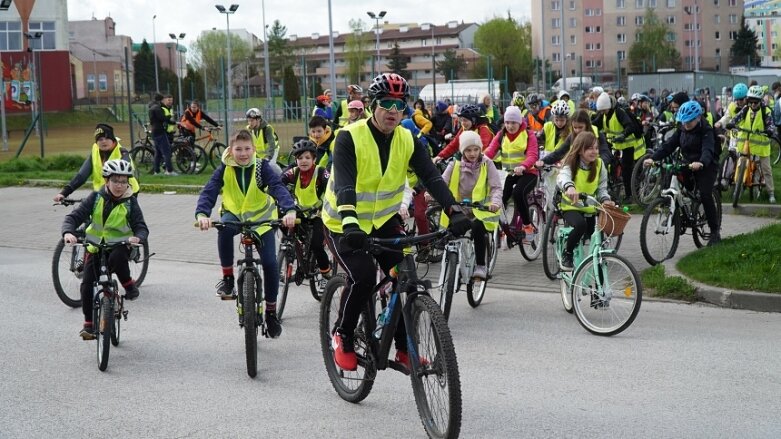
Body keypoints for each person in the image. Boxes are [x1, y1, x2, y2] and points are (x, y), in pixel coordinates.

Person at [322, 72, 472, 372]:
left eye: (400, 104)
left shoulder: (407, 139)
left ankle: (405, 348)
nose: (393, 110)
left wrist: (453, 210)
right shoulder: (348, 137)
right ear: (372, 105)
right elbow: (346, 186)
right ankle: (343, 334)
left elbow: (430, 176)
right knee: (363, 276)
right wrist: (351, 223)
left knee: (404, 274)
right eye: (386, 103)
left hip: (383, 218)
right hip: (343, 223)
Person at [194, 130, 296, 338]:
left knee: (270, 264)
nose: (243, 153)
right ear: (230, 150)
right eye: (238, 149)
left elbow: (277, 187)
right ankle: (228, 279)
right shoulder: (224, 168)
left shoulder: (262, 167)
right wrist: (202, 214)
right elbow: (210, 190)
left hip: (262, 219)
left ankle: (270, 312)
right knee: (222, 230)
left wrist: (290, 210)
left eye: (247, 149)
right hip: (234, 216)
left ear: (254, 149)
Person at [61, 159, 149, 339]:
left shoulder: (131, 202)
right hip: (95, 248)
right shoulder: (95, 198)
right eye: (115, 181)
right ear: (106, 181)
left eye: (124, 181)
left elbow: (141, 226)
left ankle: (128, 284)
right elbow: (74, 217)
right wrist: (68, 233)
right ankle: (89, 324)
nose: (119, 185)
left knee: (117, 257)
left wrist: (138, 237)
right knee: (86, 285)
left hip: (120, 246)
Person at [643, 100, 724, 243]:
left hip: (706, 164)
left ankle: (714, 231)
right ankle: (675, 212)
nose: (686, 125)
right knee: (672, 173)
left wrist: (701, 163)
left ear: (698, 118)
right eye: (683, 122)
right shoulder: (682, 128)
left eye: (689, 122)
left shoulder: (706, 130)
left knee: (705, 195)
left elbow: (708, 150)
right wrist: (653, 158)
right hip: (688, 162)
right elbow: (669, 145)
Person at [438, 130, 502, 280]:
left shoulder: (487, 164)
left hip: (481, 210)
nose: (472, 153)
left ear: (480, 149)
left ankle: (481, 265)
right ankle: (452, 263)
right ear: (462, 151)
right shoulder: (454, 164)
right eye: (468, 150)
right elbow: (441, 182)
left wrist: (495, 202)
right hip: (459, 208)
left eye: (476, 149)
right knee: (451, 232)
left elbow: (496, 187)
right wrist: (431, 194)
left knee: (478, 229)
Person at [557, 131, 615, 270]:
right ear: (580, 149)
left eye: (596, 148)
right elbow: (563, 177)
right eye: (589, 148)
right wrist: (569, 187)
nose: (594, 151)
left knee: (594, 234)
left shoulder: (600, 165)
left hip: (590, 208)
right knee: (580, 225)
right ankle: (568, 254)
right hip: (570, 207)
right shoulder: (571, 163)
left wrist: (606, 200)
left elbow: (602, 188)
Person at [483, 105, 539, 241]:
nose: (510, 126)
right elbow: (490, 151)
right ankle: (501, 228)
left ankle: (527, 225)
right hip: (510, 174)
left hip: (529, 173)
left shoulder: (529, 135)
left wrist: (523, 166)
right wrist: (479, 160)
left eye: (513, 122)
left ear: (519, 122)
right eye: (507, 122)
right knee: (500, 198)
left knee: (518, 193)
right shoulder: (501, 135)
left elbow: (533, 155)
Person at [280, 139, 333, 278]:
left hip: (319, 214)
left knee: (316, 245)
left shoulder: (321, 172)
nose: (304, 161)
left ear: (314, 159)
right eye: (300, 158)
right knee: (282, 221)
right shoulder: (293, 172)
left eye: (307, 157)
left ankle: (326, 273)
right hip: (301, 212)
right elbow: (278, 184)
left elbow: (333, 189)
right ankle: (298, 249)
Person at [54, 124, 140, 202]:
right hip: (102, 194)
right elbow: (81, 176)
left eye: (107, 138)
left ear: (113, 140)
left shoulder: (122, 153)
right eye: (100, 139)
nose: (103, 141)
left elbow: (127, 175)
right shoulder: (95, 150)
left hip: (126, 193)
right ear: (96, 142)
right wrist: (64, 193)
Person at [591, 91, 645, 202]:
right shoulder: (604, 115)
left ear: (609, 107)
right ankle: (612, 189)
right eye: (601, 111)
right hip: (616, 145)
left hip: (629, 145)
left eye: (604, 110)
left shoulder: (619, 113)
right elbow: (595, 124)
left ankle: (629, 195)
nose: (602, 113)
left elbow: (629, 126)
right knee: (610, 165)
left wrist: (623, 135)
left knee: (627, 170)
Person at [728, 85, 776, 204]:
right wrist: (731, 123)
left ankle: (771, 193)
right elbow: (736, 119)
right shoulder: (745, 109)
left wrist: (770, 130)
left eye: (756, 102)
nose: (753, 104)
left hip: (761, 147)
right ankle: (737, 189)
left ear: (760, 101)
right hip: (745, 144)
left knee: (766, 170)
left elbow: (771, 124)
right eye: (750, 102)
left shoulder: (766, 111)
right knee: (739, 166)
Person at [148, 93, 177, 175]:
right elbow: (163, 118)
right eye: (164, 99)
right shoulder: (157, 108)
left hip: (154, 131)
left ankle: (156, 171)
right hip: (160, 131)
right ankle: (169, 171)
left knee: (158, 152)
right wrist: (170, 117)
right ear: (161, 100)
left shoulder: (152, 107)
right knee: (167, 151)